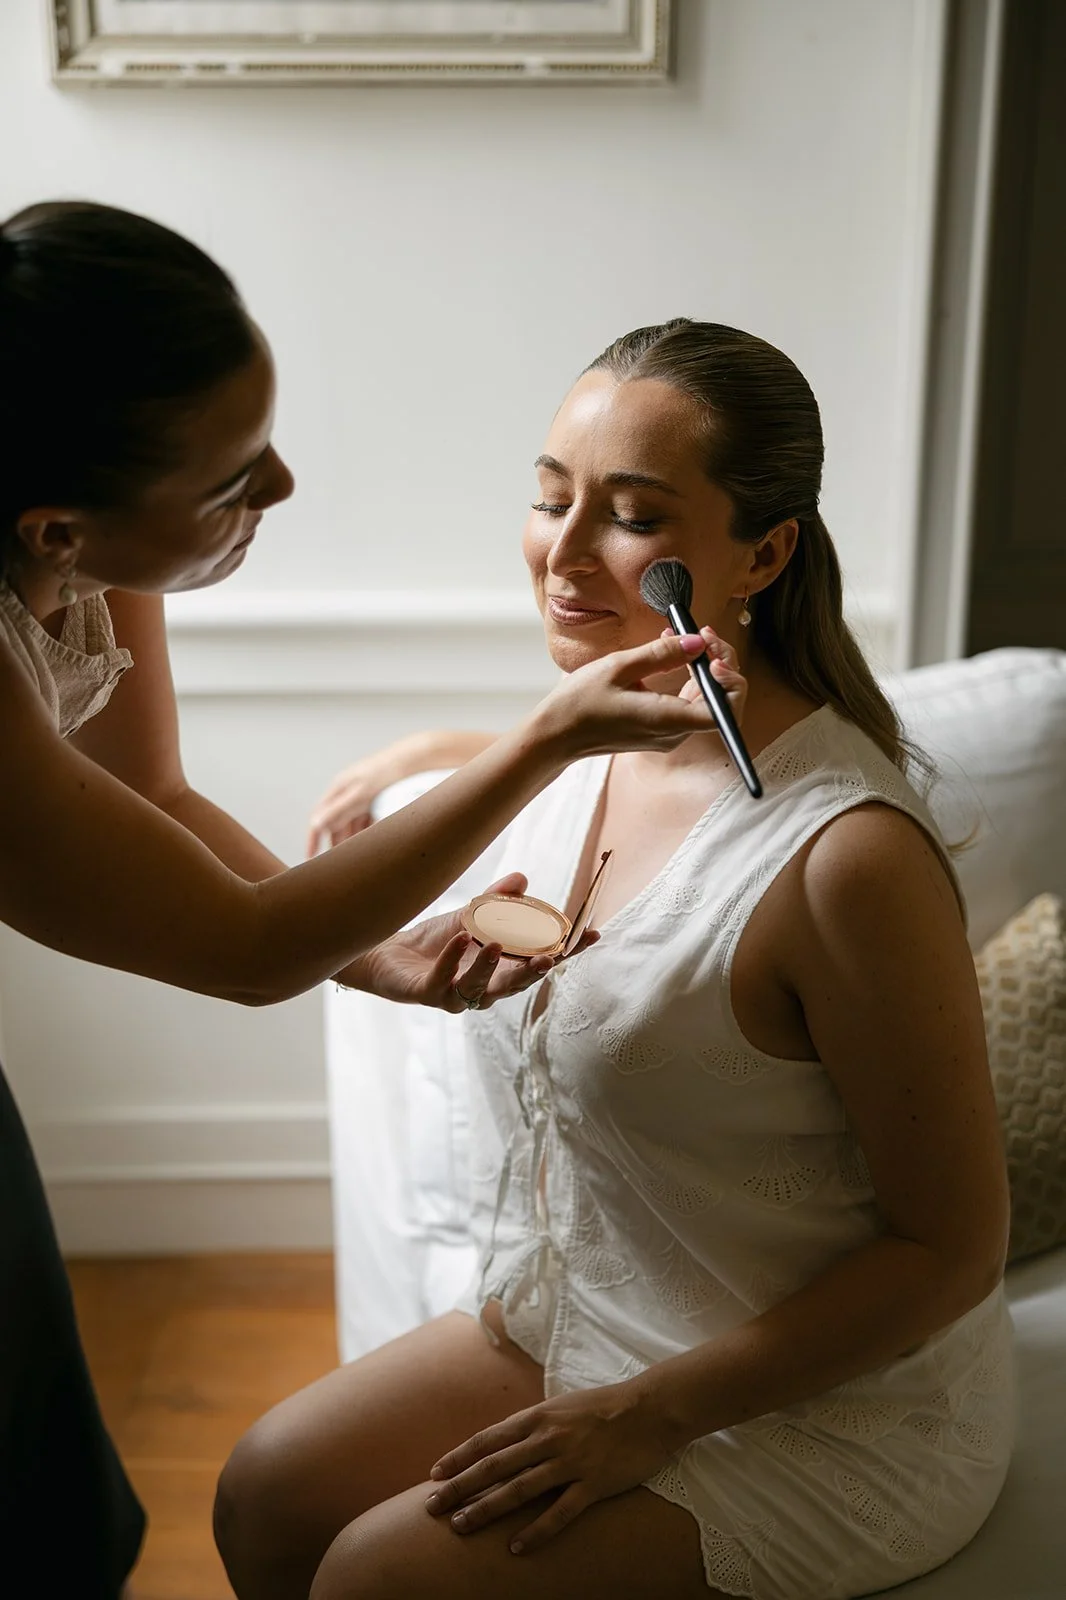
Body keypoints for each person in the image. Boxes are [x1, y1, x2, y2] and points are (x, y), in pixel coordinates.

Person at [216, 319, 1014, 1600]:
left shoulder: (844, 861)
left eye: (632, 517)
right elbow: (638, 773)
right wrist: (443, 750)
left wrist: (650, 1413)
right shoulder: (590, 745)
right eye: (549, 497)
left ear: (762, 551)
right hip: (590, 1316)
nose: (565, 550)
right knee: (267, 1491)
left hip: (815, 1407)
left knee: (380, 1578)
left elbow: (955, 1247)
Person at [0, 206, 716, 1600]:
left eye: (264, 431)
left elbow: (150, 794)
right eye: (230, 482)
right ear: (55, 524)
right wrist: (535, 742)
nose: (280, 484)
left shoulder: (74, 534)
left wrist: (381, 954)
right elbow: (241, 946)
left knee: (46, 1483)